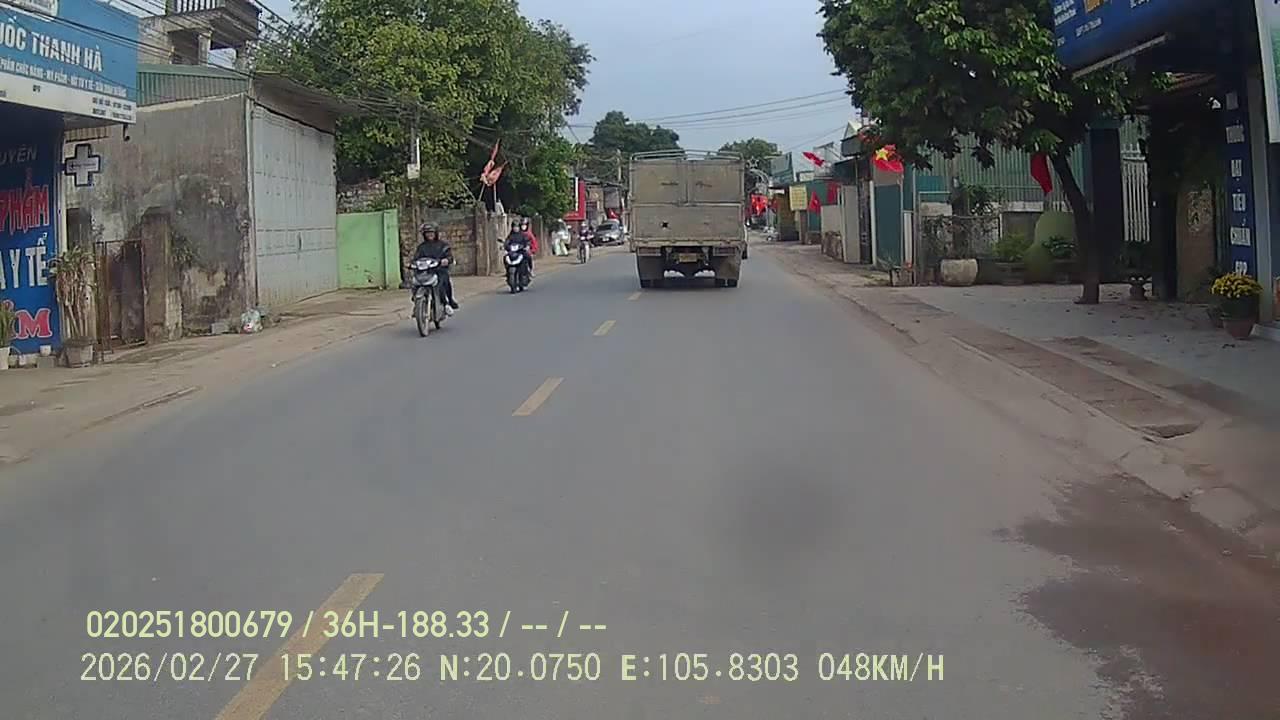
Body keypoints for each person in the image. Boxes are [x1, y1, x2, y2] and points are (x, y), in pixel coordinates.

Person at [413, 223, 459, 313]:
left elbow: (449, 256)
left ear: (436, 233)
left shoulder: (443, 246)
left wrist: (446, 260)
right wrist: (412, 264)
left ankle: (447, 302)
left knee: (442, 281)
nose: (430, 235)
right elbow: (416, 258)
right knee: (415, 282)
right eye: (427, 233)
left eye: (432, 232)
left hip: (439, 270)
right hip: (425, 271)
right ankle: (417, 303)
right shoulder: (421, 247)